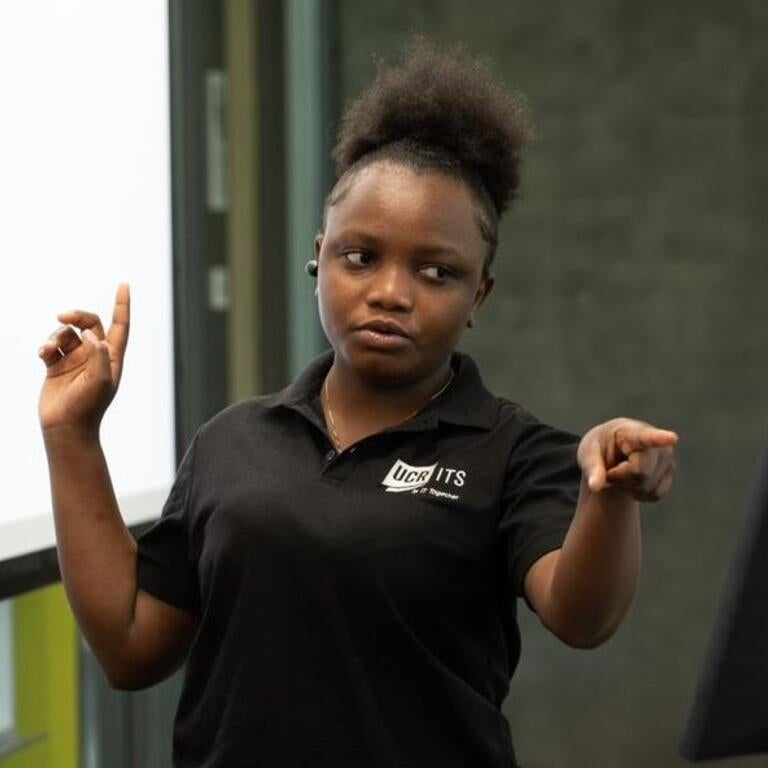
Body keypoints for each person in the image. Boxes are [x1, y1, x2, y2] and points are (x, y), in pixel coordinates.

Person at [38, 39, 677, 768]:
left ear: (479, 296)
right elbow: (129, 647)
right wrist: (72, 436)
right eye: (360, 256)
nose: (391, 292)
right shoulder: (232, 442)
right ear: (320, 257)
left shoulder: (511, 451)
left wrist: (608, 495)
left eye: (436, 271)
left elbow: (583, 616)